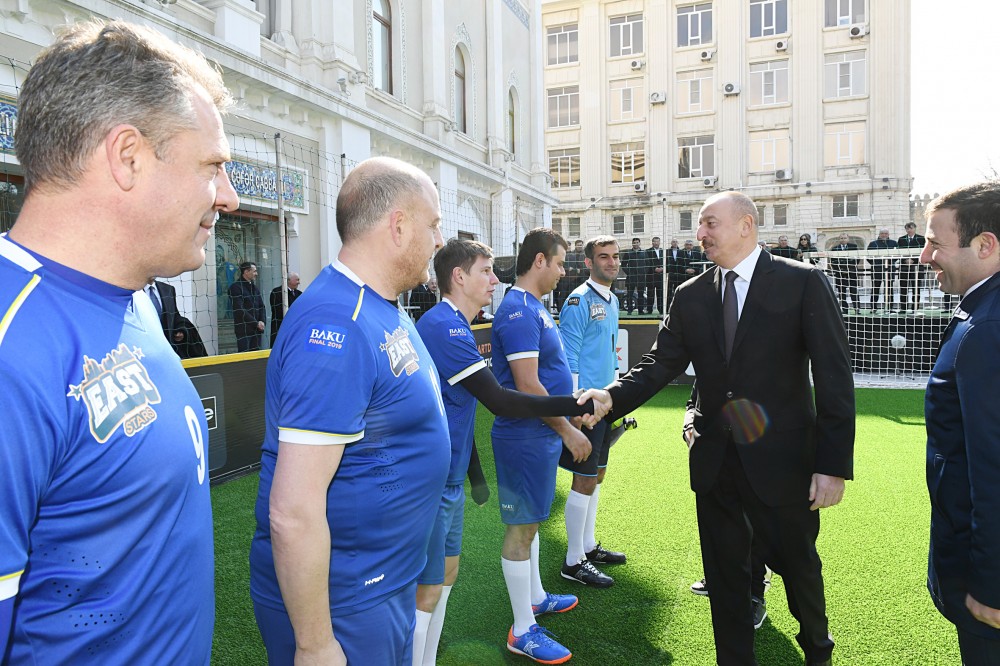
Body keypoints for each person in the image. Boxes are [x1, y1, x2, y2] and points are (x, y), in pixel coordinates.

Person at [0, 19, 239, 664]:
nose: (227, 197)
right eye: (212, 166)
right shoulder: (11, 346)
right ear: (127, 156)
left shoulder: (136, 296)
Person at [581, 191, 855, 666]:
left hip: (783, 465)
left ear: (746, 225)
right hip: (715, 464)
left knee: (800, 570)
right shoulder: (690, 294)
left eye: (710, 223)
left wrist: (832, 466)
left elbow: (834, 379)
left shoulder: (802, 282)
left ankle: (818, 652)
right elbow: (659, 362)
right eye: (700, 224)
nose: (700, 233)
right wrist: (611, 396)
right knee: (726, 580)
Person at [249, 156, 447, 666]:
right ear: (398, 227)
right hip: (347, 601)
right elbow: (293, 509)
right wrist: (315, 643)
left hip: (379, 586)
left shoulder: (379, 306)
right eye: (433, 225)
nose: (439, 240)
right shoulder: (337, 323)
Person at [412, 238, 595, 666]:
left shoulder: (454, 324)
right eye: (485, 271)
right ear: (459, 277)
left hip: (449, 477)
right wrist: (575, 406)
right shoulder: (444, 326)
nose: (495, 280)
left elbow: (458, 407)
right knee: (427, 589)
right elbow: (500, 399)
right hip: (431, 480)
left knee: (444, 578)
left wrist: (474, 474)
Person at [491, 227, 595, 663]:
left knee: (532, 521)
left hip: (537, 435)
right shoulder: (518, 310)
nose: (562, 271)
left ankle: (534, 598)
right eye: (559, 263)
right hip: (524, 437)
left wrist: (571, 411)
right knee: (521, 529)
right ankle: (522, 631)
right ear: (539, 261)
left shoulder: (534, 306)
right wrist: (568, 429)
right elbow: (528, 385)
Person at [920, 182, 1000, 665]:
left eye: (936, 243)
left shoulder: (988, 328)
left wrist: (991, 585)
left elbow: (992, 469)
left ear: (985, 245)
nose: (925, 256)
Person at [559, 236, 626, 590]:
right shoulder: (578, 300)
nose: (611, 262)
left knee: (597, 475)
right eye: (603, 257)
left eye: (615, 256)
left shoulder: (613, 300)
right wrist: (574, 405)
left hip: (605, 402)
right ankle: (573, 561)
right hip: (585, 405)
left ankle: (587, 546)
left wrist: (615, 395)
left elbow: (611, 353)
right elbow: (568, 356)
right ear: (588, 263)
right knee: (583, 479)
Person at [146, 277, 207, 359]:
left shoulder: (168, 289)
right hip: (146, 348)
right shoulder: (134, 292)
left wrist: (181, 330)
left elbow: (174, 316)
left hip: (168, 350)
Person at [228, 261, 266, 351]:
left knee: (256, 356)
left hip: (257, 331)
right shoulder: (235, 287)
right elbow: (239, 309)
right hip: (244, 331)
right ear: (246, 272)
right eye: (254, 271)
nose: (256, 274)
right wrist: (256, 323)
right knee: (245, 357)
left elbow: (261, 306)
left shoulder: (255, 288)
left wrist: (262, 321)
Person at [867, 228, 898, 310]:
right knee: (875, 289)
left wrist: (890, 263)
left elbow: (897, 256)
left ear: (888, 234)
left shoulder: (894, 243)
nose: (884, 235)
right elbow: (868, 257)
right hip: (876, 270)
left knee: (889, 289)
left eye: (886, 233)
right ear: (879, 234)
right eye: (882, 233)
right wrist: (875, 263)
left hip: (890, 269)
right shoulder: (873, 244)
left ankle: (889, 308)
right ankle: (873, 308)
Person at [898, 221, 927, 312]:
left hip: (917, 267)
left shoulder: (921, 239)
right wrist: (905, 260)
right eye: (907, 228)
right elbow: (899, 252)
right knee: (903, 288)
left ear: (915, 228)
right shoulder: (901, 239)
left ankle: (915, 308)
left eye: (911, 228)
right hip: (904, 267)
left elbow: (923, 252)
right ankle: (903, 308)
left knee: (916, 288)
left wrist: (913, 260)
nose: (909, 230)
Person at [830, 233, 861, 314]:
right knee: (841, 292)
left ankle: (857, 309)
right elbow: (833, 262)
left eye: (844, 238)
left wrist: (848, 269)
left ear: (848, 239)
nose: (843, 239)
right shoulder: (834, 249)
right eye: (841, 238)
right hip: (840, 274)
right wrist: (841, 270)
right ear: (839, 239)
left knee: (854, 291)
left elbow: (856, 260)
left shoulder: (853, 247)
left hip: (851, 273)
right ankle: (844, 309)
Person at [268, 272, 301, 347]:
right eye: (297, 280)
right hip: (280, 329)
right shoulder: (276, 292)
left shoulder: (300, 294)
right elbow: (277, 311)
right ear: (288, 280)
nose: (299, 282)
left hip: (295, 330)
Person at [621, 237, 646, 315]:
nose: (636, 244)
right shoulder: (628, 253)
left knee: (641, 294)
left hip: (641, 278)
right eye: (634, 243)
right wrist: (629, 272)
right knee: (629, 294)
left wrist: (643, 272)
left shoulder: (644, 253)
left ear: (639, 243)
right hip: (631, 277)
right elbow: (623, 265)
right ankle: (629, 310)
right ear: (632, 244)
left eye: (637, 242)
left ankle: (641, 310)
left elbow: (648, 264)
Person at [645, 236, 665, 315]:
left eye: (657, 241)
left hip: (661, 276)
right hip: (651, 276)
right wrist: (654, 269)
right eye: (655, 241)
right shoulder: (648, 251)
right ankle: (649, 310)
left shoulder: (663, 251)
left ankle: (661, 310)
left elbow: (666, 261)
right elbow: (647, 262)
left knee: (660, 294)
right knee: (650, 294)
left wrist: (663, 268)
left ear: (659, 242)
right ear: (652, 242)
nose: (656, 243)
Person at [665, 238, 686, 309]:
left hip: (679, 274)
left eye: (676, 242)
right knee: (669, 291)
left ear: (678, 243)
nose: (675, 243)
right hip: (670, 274)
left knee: (678, 290)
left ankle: (678, 306)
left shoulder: (682, 252)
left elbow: (683, 262)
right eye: (673, 242)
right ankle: (668, 307)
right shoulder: (667, 252)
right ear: (671, 243)